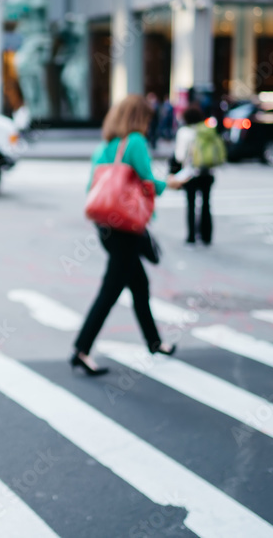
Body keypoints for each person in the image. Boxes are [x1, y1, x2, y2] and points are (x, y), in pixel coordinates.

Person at [72, 95, 184, 376]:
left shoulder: (105, 146)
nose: (148, 124)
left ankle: (154, 342)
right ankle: (81, 350)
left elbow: (93, 187)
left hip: (106, 225)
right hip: (125, 227)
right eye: (146, 118)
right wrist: (170, 183)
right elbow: (148, 181)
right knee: (111, 290)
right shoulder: (134, 142)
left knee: (139, 285)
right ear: (138, 118)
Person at [174, 105, 219, 246]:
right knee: (206, 204)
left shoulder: (184, 132)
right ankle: (206, 236)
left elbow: (179, 156)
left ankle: (191, 236)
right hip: (207, 172)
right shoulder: (206, 131)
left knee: (191, 204)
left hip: (191, 174)